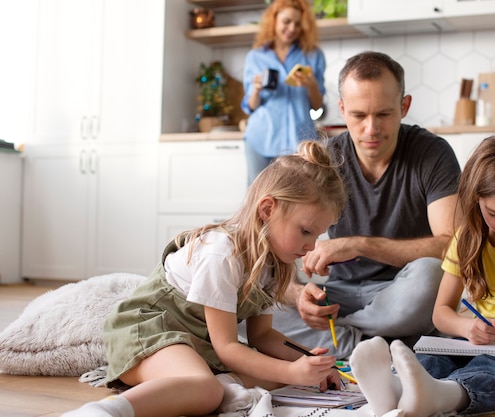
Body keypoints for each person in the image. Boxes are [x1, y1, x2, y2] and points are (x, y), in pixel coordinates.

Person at [61, 140, 345, 417]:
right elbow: (228, 348)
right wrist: (291, 370)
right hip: (149, 334)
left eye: (318, 235)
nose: (311, 246)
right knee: (207, 389)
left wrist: (308, 360)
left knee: (282, 377)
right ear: (268, 210)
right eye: (306, 231)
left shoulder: (273, 263)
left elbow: (262, 336)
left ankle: (221, 387)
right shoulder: (222, 253)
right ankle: (106, 411)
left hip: (198, 343)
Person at [350, 133, 495, 417]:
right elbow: (441, 312)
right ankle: (393, 392)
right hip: (480, 337)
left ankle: (441, 396)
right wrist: (466, 328)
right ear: (477, 199)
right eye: (494, 213)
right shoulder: (467, 238)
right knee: (432, 357)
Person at [270, 51, 461, 360]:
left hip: (399, 292)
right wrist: (298, 294)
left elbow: (453, 246)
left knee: (433, 275)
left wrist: (359, 245)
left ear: (404, 106)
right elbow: (274, 243)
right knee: (250, 304)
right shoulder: (324, 159)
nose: (371, 129)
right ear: (343, 110)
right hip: (337, 295)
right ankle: (387, 345)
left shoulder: (432, 154)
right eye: (359, 116)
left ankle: (344, 337)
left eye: (383, 114)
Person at [241, 0, 326, 184]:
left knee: (300, 197)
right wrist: (255, 89)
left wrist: (311, 85)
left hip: (300, 141)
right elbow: (249, 107)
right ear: (274, 21)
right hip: (260, 138)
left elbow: (318, 108)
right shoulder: (255, 57)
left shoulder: (313, 55)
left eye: (297, 23)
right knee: (258, 199)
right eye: (287, 21)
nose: (292, 28)